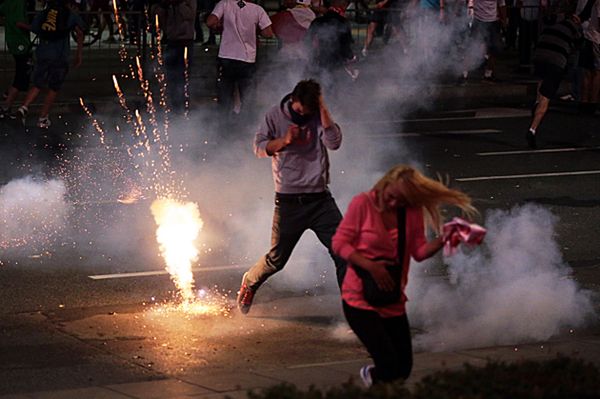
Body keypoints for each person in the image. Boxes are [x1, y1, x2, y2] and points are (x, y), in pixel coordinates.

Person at [332, 165, 476, 386]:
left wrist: (443, 239)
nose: (393, 204)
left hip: (392, 299)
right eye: (391, 197)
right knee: (389, 366)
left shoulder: (411, 211)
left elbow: (419, 252)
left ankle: (375, 379)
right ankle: (375, 378)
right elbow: (339, 244)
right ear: (385, 184)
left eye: (400, 201)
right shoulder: (363, 204)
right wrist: (371, 266)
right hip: (360, 300)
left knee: (403, 369)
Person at [236, 79, 345, 314]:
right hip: (289, 203)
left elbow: (334, 143)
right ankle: (250, 282)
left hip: (321, 200)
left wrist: (324, 109)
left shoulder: (318, 114)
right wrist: (284, 141)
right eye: (300, 112)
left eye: (309, 112)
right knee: (277, 259)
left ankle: (356, 311)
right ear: (293, 101)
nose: (303, 117)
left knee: (345, 251)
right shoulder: (275, 116)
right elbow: (259, 147)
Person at [12, 0, 85, 129]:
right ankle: (43, 118)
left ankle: (24, 108)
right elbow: (80, 32)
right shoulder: (70, 14)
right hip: (60, 56)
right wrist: (79, 54)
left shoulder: (45, 13)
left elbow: (35, 28)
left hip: (43, 52)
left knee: (38, 84)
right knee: (53, 87)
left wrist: (22, 25)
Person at [526, 10, 587, 148]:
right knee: (546, 98)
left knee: (542, 82)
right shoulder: (574, 28)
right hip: (556, 62)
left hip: (539, 57)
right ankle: (533, 129)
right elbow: (579, 45)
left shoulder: (553, 28)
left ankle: (536, 102)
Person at [207, 0, 273, 118]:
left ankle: (224, 125)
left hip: (226, 57)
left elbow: (210, 21)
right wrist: (254, 29)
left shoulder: (224, 4)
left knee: (225, 97)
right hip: (247, 60)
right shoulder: (257, 9)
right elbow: (268, 33)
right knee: (248, 98)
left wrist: (220, 25)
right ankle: (245, 126)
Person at [153, 0, 197, 112]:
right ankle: (173, 104)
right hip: (172, 41)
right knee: (171, 76)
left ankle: (184, 104)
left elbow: (189, 15)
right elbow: (158, 17)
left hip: (185, 41)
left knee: (184, 77)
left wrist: (179, 4)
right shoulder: (169, 5)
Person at [305, 0, 356, 91]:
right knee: (336, 89)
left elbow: (307, 42)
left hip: (319, 62)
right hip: (337, 63)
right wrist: (352, 57)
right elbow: (346, 48)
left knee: (319, 88)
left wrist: (312, 57)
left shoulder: (316, 22)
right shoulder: (343, 22)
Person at [0, 0, 33, 120]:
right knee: (22, 75)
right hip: (21, 43)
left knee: (23, 71)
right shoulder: (19, 2)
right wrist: (34, 28)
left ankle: (8, 96)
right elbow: (19, 22)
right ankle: (6, 105)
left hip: (13, 40)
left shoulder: (8, 2)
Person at [578, 0, 600, 114]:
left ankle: (584, 101)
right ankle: (592, 102)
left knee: (587, 72)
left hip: (589, 37)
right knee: (596, 73)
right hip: (596, 39)